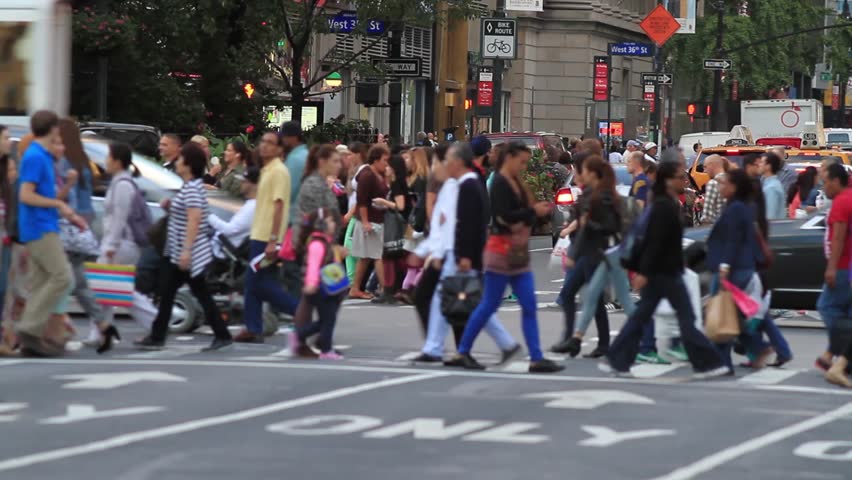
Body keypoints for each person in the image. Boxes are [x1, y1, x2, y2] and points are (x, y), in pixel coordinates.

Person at [602, 161, 727, 379]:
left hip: (665, 270)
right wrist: (644, 272)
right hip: (663, 271)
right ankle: (708, 362)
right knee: (684, 318)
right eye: (680, 177)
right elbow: (656, 241)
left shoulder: (664, 203)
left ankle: (617, 358)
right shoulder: (664, 206)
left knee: (645, 316)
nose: (685, 180)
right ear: (669, 180)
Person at [448, 142, 563, 373]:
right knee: (489, 304)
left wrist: (535, 213)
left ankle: (536, 357)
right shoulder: (500, 182)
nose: (523, 166)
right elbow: (503, 216)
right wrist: (533, 212)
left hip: (517, 251)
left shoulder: (514, 182)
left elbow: (517, 216)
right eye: (521, 161)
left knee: (527, 305)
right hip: (501, 251)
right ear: (509, 158)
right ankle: (463, 351)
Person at [415, 143, 521, 364]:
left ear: (458, 162)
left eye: (447, 161)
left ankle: (436, 347)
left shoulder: (468, 186)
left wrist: (462, 256)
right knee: (463, 301)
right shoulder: (462, 185)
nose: (444, 165)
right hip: (458, 252)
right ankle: (505, 344)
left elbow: (467, 225)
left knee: (452, 300)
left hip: (459, 253)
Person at [134, 143, 232, 351]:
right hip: (180, 252)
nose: (177, 163)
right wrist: (171, 206)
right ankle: (219, 334)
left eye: (180, 159)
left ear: (188, 164)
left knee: (176, 292)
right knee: (173, 292)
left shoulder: (193, 188)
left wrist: (187, 251)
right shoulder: (190, 187)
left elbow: (194, 220)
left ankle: (159, 335)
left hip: (187, 254)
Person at [15, 111, 81, 356]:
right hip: (39, 227)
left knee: (42, 282)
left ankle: (33, 338)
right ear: (53, 129)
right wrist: (59, 205)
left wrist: (65, 193)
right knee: (63, 277)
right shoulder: (35, 156)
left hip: (42, 224)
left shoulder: (42, 156)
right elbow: (26, 195)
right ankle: (29, 327)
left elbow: (48, 197)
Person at [556, 156, 631, 359]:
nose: (582, 175)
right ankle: (577, 340)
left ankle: (578, 340)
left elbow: (603, 226)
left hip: (601, 254)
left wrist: (584, 225)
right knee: (585, 297)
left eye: (586, 171)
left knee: (603, 299)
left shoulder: (602, 196)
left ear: (594, 174)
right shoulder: (593, 194)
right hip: (595, 253)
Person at [234, 131, 300, 343]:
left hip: (266, 237)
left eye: (271, 143)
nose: (264, 146)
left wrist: (273, 239)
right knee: (258, 283)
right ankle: (253, 327)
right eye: (263, 141)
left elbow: (280, 205)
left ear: (280, 149)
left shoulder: (279, 171)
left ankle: (299, 311)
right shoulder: (267, 170)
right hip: (259, 234)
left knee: (257, 284)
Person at [93, 143, 159, 352]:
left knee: (119, 291)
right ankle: (101, 332)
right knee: (106, 289)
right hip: (120, 244)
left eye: (108, 158)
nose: (105, 162)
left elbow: (119, 219)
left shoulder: (122, 185)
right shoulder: (121, 182)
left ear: (117, 161)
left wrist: (110, 246)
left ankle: (155, 323)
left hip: (120, 244)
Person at [706, 169, 771, 370]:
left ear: (733, 186)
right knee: (733, 314)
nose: (720, 186)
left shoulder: (736, 208)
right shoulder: (740, 206)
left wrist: (725, 265)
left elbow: (733, 239)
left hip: (734, 268)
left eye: (723, 183)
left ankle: (722, 360)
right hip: (740, 266)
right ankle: (754, 348)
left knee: (724, 313)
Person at [289, 209, 346, 360]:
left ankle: (299, 336)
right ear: (321, 224)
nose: (334, 224)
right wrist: (311, 284)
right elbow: (313, 266)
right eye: (331, 221)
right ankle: (326, 350)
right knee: (328, 320)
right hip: (321, 288)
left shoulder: (325, 242)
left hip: (326, 287)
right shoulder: (317, 244)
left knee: (325, 320)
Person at [816, 163, 852, 372]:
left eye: (826, 181)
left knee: (827, 307)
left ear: (837, 181)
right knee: (846, 312)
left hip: (842, 267)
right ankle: (838, 356)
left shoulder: (841, 202)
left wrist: (832, 267)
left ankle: (842, 349)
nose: (824, 186)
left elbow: (838, 237)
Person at [350, 144, 390, 300]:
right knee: (377, 255)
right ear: (376, 159)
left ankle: (355, 288)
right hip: (370, 221)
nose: (386, 163)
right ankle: (385, 288)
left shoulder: (378, 174)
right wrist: (365, 222)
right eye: (384, 160)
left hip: (377, 219)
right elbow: (362, 201)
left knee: (366, 257)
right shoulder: (367, 175)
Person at [372, 154, 412, 304]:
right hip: (395, 223)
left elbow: (400, 206)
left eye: (388, 166)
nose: (386, 169)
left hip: (395, 224)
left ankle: (390, 290)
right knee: (394, 258)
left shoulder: (396, 184)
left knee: (390, 257)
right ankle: (392, 289)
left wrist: (383, 202)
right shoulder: (397, 183)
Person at [281, 121, 310, 293]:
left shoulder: (294, 159)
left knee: (291, 264)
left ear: (292, 138)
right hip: (305, 216)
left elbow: (287, 191)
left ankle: (296, 304)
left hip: (293, 218)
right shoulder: (306, 155)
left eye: (284, 137)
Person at [208, 166, 258, 259]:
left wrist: (208, 216)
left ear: (253, 184)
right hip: (221, 242)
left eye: (244, 181)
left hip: (220, 249)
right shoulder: (251, 203)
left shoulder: (252, 207)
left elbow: (229, 230)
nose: (241, 184)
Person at [343, 142, 369, 282]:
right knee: (351, 247)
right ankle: (352, 280)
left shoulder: (363, 170)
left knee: (350, 247)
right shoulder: (353, 170)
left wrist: (349, 214)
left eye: (350, 154)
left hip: (356, 214)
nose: (347, 157)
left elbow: (361, 196)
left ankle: (353, 280)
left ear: (358, 154)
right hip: (354, 213)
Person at [700, 154, 727, 225]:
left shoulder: (713, 183)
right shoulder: (732, 180)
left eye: (705, 167)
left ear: (712, 165)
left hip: (718, 229)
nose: (704, 171)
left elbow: (707, 217)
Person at [761, 152, 786, 220]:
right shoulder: (774, 184)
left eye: (761, 162)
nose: (759, 165)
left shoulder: (771, 188)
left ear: (768, 166)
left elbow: (770, 216)